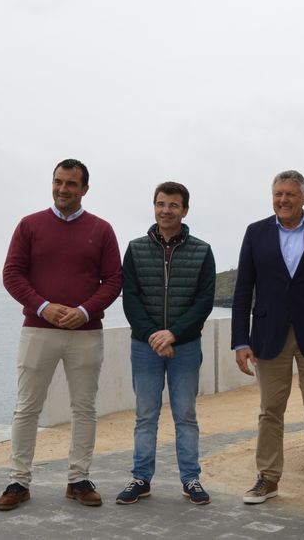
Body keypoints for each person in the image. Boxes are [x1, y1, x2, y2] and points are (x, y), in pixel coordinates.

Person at [0, 158, 123, 510]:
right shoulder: (29, 225)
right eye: (57, 182)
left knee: (84, 408)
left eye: (71, 184)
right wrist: (43, 306)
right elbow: (12, 274)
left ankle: (78, 479)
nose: (63, 189)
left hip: (86, 333)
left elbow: (114, 279)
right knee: (26, 408)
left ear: (84, 189)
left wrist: (83, 311)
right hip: (38, 330)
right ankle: (18, 481)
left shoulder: (101, 229)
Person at [231, 170, 304, 511]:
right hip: (269, 337)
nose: (283, 200)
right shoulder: (256, 233)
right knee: (270, 411)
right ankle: (267, 478)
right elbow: (243, 292)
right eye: (278, 194)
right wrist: (240, 340)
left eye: (290, 195)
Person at [115, 182, 216, 506]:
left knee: (185, 415)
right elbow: (130, 298)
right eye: (160, 204)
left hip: (184, 347)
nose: (166, 210)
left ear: (184, 210)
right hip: (145, 348)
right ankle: (141, 478)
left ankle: (191, 479)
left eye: (173, 205)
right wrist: (153, 336)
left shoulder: (202, 250)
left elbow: (204, 301)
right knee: (146, 415)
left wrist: (173, 334)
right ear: (154, 206)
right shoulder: (134, 248)